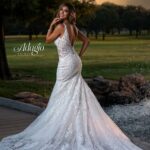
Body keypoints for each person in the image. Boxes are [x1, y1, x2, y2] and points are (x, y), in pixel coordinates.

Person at [0, 2, 143, 150]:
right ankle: (74, 124)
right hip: (74, 61)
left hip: (66, 63)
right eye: (61, 10)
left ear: (69, 13)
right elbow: (87, 41)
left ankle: (63, 126)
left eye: (65, 11)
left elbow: (47, 40)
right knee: (74, 92)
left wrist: (50, 25)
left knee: (63, 93)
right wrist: (78, 56)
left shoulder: (60, 27)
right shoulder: (73, 27)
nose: (62, 13)